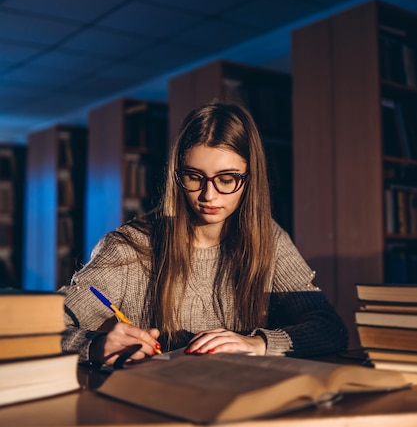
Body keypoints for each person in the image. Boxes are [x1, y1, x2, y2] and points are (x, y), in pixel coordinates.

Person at [61, 101, 348, 366]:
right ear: (177, 175)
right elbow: (39, 329)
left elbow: (329, 327)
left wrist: (258, 343)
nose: (208, 195)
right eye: (193, 178)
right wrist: (94, 345)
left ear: (250, 179)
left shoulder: (269, 240)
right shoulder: (130, 248)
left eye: (227, 179)